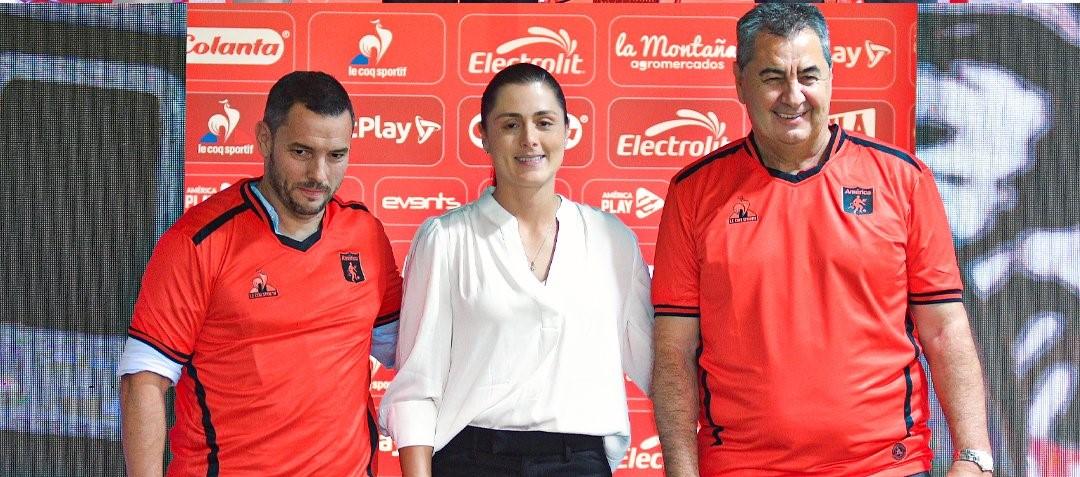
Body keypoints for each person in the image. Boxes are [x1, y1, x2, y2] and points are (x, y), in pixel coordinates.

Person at [650, 4, 993, 476]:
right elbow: (673, 351)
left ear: (831, 77)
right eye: (773, 76)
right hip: (741, 467)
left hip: (885, 466)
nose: (793, 96)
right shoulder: (693, 193)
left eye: (809, 75)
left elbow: (944, 329)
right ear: (739, 82)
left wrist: (974, 457)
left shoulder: (904, 181)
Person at [118, 71, 402, 476]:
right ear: (265, 139)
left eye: (336, 155)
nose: (319, 175)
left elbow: (405, 347)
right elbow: (143, 381)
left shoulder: (365, 235)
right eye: (301, 152)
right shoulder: (198, 241)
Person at [378, 63, 653, 477]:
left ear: (566, 131)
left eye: (544, 122)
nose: (530, 139)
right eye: (510, 124)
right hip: (470, 459)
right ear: (484, 136)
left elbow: (660, 365)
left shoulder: (612, 240)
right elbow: (417, 387)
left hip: (579, 461)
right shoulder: (447, 238)